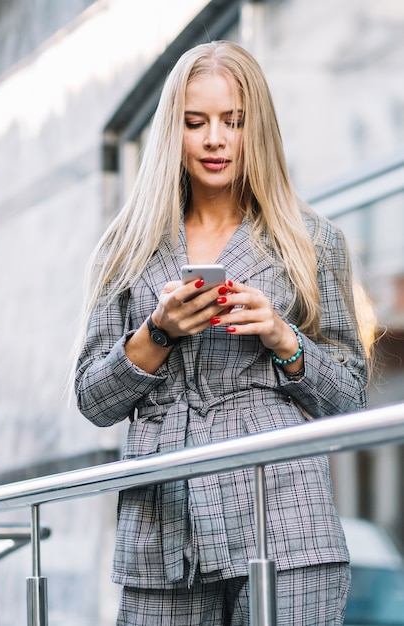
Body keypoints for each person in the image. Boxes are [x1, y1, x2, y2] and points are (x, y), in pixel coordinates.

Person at [74, 40, 371, 626]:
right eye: (195, 122)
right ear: (172, 132)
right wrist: (157, 334)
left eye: (233, 122)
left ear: (255, 128)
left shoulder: (310, 241)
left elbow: (352, 398)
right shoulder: (126, 248)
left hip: (286, 527)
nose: (214, 139)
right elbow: (92, 400)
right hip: (164, 537)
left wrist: (284, 340)